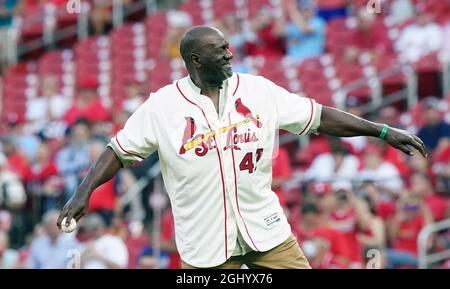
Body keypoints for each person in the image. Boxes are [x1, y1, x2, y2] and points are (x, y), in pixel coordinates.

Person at [57, 26, 427, 269]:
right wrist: (82, 193)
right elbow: (119, 151)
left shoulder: (257, 90)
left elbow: (318, 116)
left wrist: (380, 131)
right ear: (195, 61)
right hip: (205, 243)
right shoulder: (161, 106)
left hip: (265, 230)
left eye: (228, 47)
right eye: (220, 51)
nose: (230, 55)